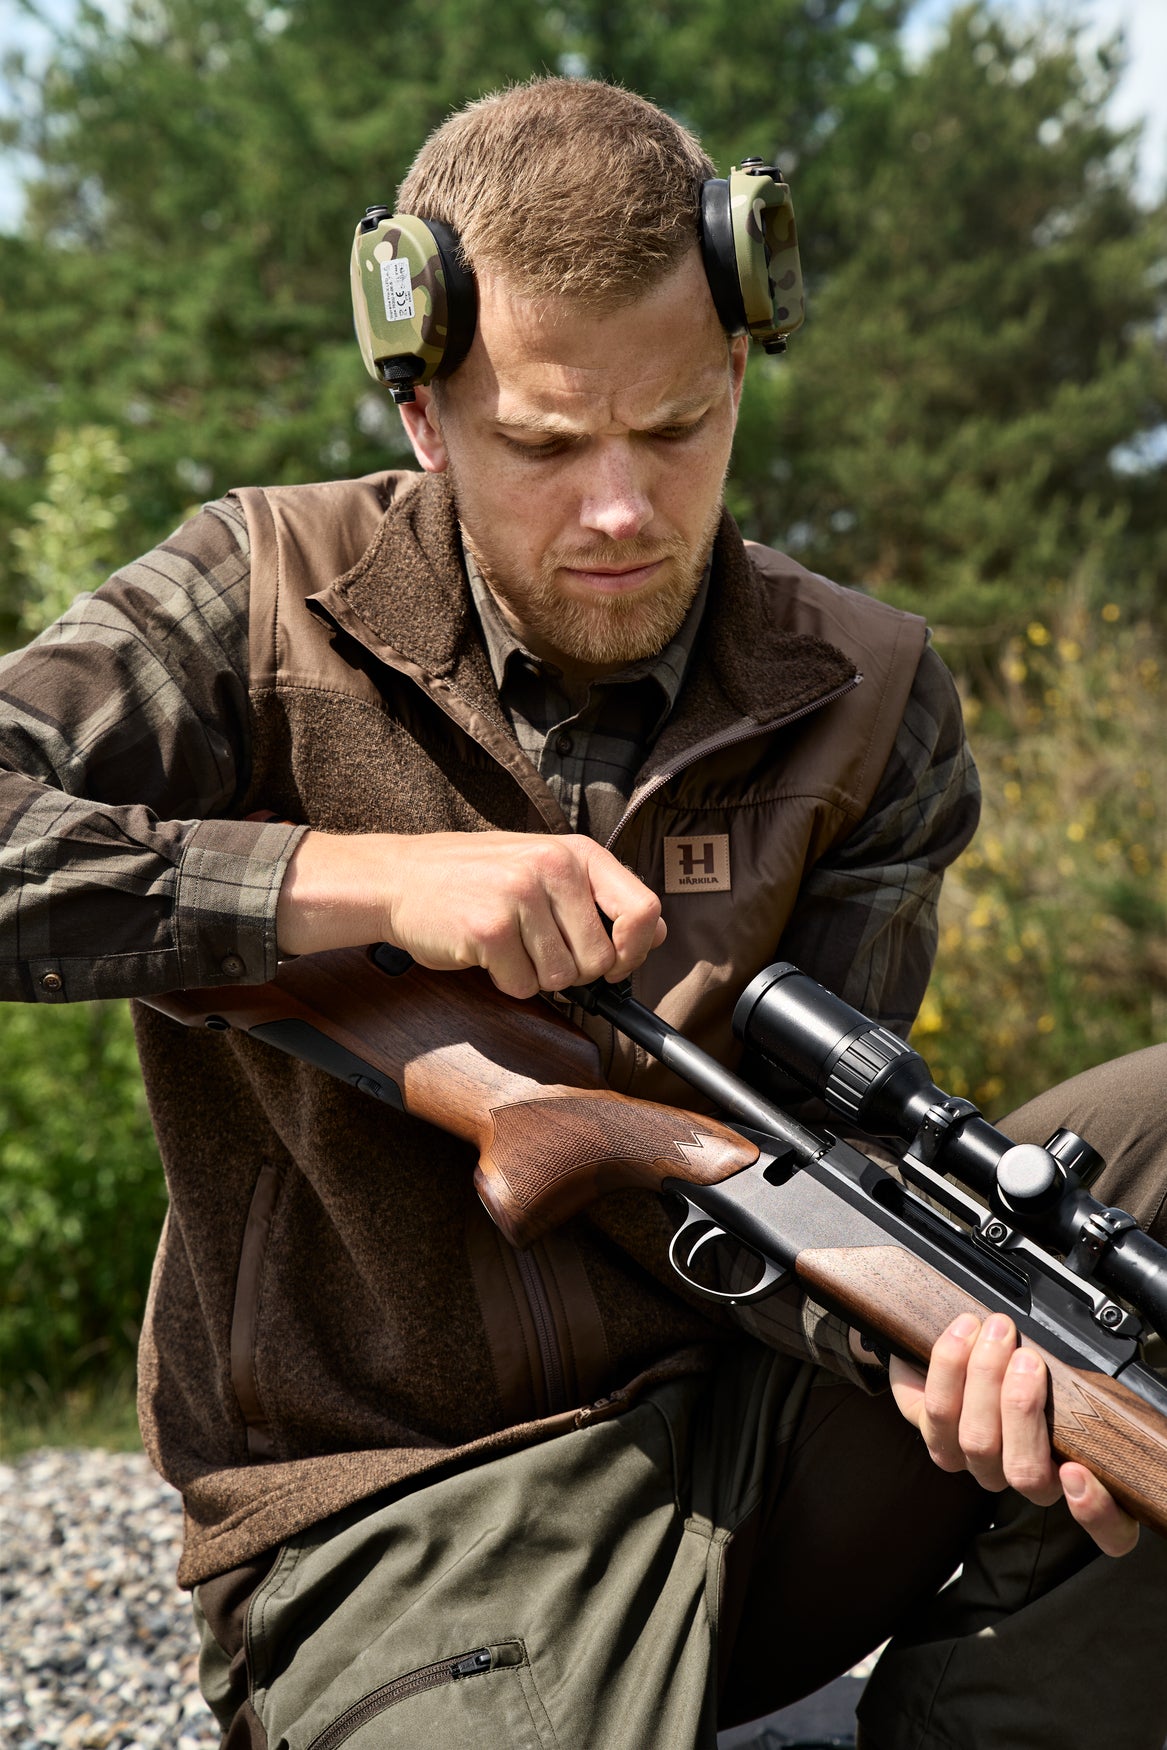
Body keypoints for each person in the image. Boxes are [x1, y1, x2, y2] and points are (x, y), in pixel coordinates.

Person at [0, 77, 1163, 1750]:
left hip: (759, 1447)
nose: (622, 508)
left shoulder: (874, 692)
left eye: (676, 427)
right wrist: (362, 880)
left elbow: (829, 1166)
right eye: (546, 444)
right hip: (399, 1519)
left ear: (739, 371)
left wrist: (948, 1351)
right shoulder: (254, 600)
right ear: (423, 411)